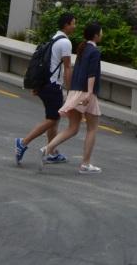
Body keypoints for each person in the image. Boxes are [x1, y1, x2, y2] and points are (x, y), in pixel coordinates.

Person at [41, 20, 103, 174]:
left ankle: (47, 148)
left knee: (73, 128)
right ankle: (85, 164)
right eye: (101, 32)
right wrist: (89, 93)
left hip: (75, 91)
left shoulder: (83, 49)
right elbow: (92, 74)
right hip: (86, 93)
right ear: (96, 35)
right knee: (92, 128)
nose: (102, 34)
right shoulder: (94, 51)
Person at [15, 11, 76, 166]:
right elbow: (68, 68)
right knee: (53, 118)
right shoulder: (65, 43)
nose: (75, 26)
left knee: (53, 118)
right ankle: (23, 142)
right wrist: (70, 91)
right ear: (66, 24)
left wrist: (38, 85)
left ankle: (52, 152)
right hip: (52, 86)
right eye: (73, 23)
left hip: (45, 84)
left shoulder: (54, 38)